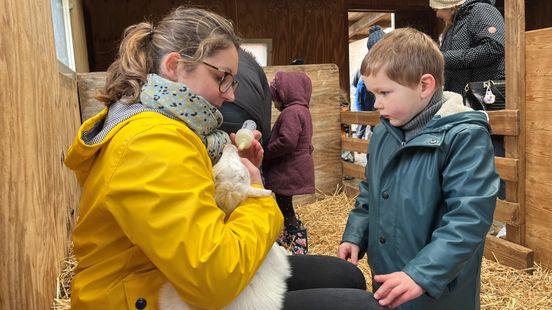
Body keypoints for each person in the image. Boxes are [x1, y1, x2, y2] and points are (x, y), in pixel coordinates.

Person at [64, 6, 382, 309]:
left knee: (347, 275)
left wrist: (243, 171)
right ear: (174, 67)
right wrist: (256, 193)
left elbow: (197, 223)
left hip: (167, 281)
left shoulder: (168, 128)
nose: (229, 94)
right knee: (360, 303)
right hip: (147, 295)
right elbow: (213, 278)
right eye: (222, 77)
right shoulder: (150, 143)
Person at [338, 28, 499, 309]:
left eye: (385, 92)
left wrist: (422, 274)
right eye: (374, 93)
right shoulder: (384, 134)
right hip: (390, 278)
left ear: (424, 86)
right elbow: (370, 192)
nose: (376, 103)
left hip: (438, 289)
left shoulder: (463, 137)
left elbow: (469, 217)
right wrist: (356, 234)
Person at [431, 0, 506, 199]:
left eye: (438, 8)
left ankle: (504, 210)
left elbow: (494, 47)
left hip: (486, 100)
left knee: (494, 151)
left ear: (451, 4)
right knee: (473, 155)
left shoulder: (482, 11)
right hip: (466, 102)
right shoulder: (455, 25)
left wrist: (444, 57)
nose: (437, 14)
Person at [263, 71, 314, 256]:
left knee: (286, 211)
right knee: (285, 207)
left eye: (275, 98)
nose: (275, 103)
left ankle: (299, 249)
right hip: (294, 169)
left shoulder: (291, 112)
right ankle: (289, 243)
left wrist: (266, 153)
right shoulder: (303, 110)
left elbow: (288, 141)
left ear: (285, 93)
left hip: (286, 170)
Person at [219, 48, 272, 149]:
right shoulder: (255, 67)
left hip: (215, 104)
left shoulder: (225, 52)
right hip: (247, 116)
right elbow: (266, 117)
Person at [353, 25, 386, 139]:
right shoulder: (367, 73)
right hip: (373, 116)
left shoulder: (396, 69)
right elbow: (358, 95)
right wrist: (363, 113)